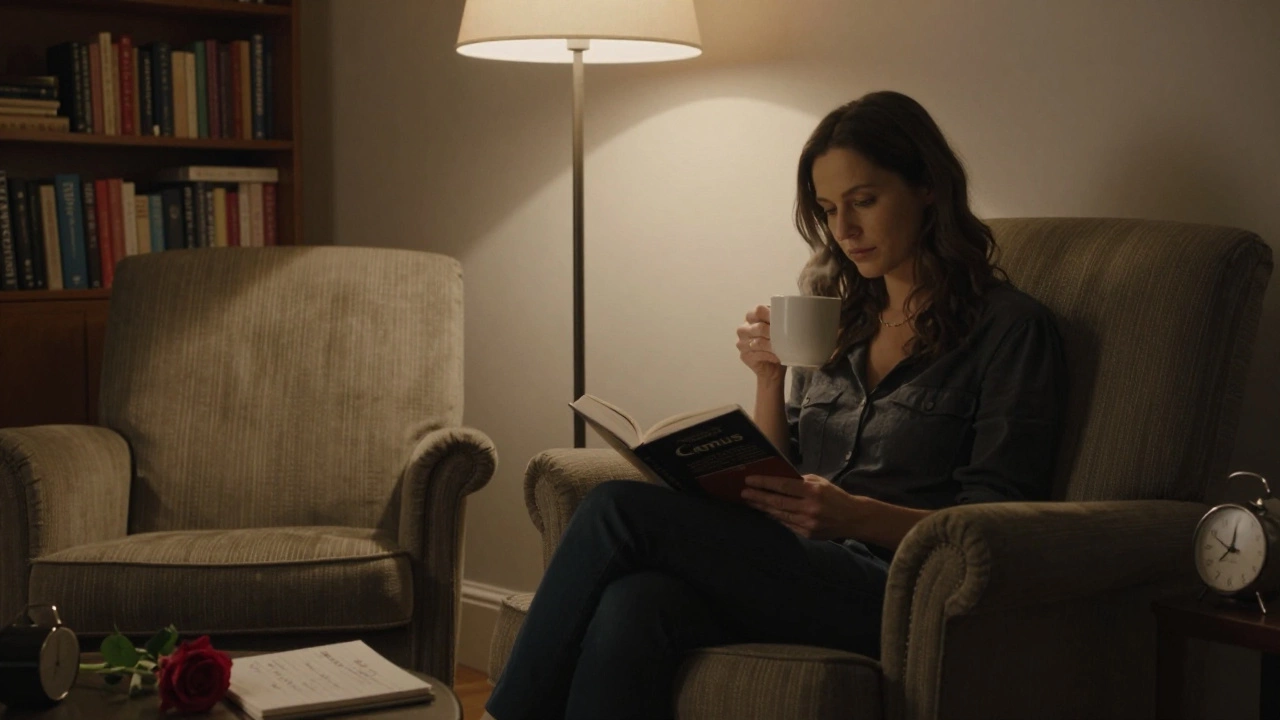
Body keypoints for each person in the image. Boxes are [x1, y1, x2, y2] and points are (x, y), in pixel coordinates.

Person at [483, 90, 1067, 720]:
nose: (844, 231)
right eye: (828, 209)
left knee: (617, 510)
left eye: (863, 202)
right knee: (637, 601)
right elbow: (781, 475)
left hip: (897, 588)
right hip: (799, 566)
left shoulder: (1010, 330)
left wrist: (856, 516)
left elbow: (995, 523)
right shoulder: (841, 320)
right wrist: (768, 378)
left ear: (927, 187)